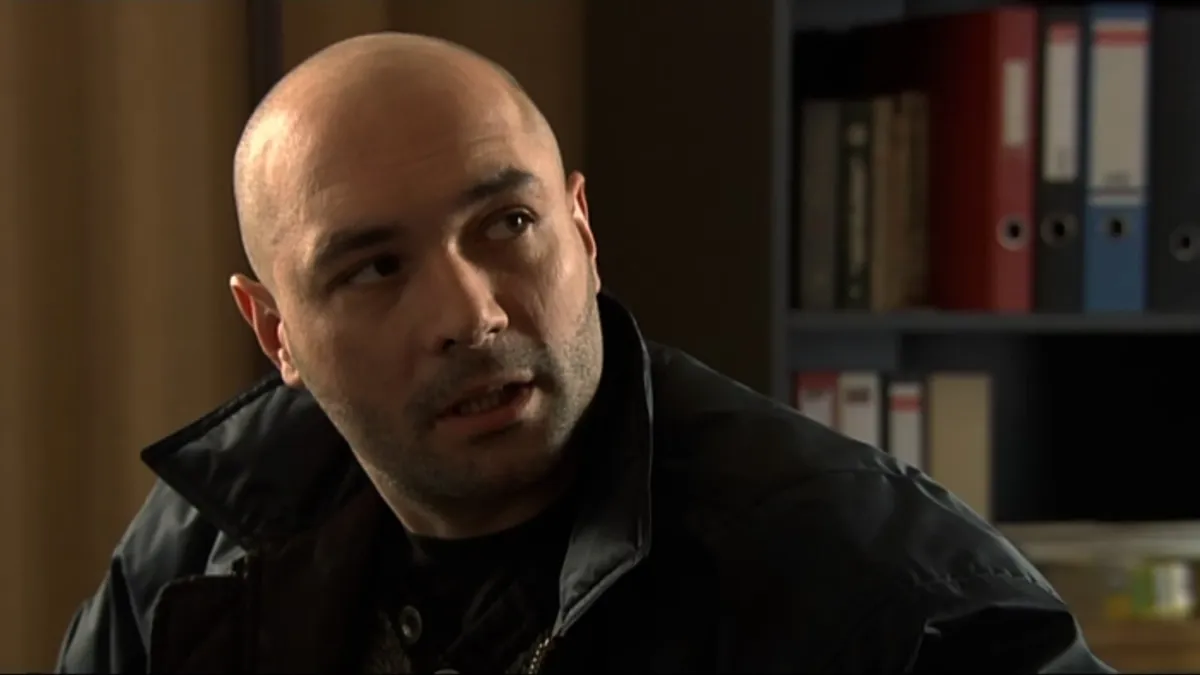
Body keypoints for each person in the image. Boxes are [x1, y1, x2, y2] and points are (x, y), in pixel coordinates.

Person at [56, 32, 1113, 674]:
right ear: (275, 332)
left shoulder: (869, 582)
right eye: (375, 268)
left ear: (583, 230)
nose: (470, 314)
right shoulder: (202, 547)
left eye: (507, 226)